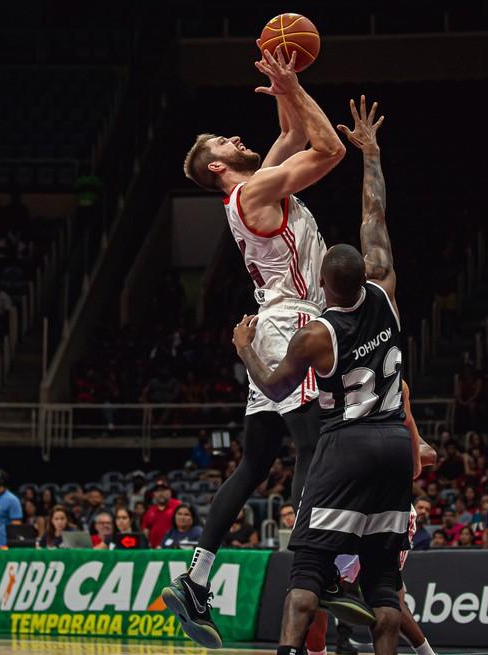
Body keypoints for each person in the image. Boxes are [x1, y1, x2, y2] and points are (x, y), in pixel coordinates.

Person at [165, 45, 347, 649]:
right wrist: (294, 83)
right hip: (295, 324)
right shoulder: (254, 192)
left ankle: (195, 578)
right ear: (216, 167)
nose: (232, 138)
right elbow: (329, 149)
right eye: (221, 140)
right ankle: (317, 570)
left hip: (270, 324)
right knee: (312, 445)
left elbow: (294, 133)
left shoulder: (252, 189)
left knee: (254, 461)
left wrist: (288, 92)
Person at [224, 95, 410, 655]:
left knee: (306, 574)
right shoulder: (386, 293)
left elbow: (278, 387)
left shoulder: (316, 334)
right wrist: (371, 154)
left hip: (347, 444)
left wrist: (245, 351)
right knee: (383, 582)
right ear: (365, 274)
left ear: (323, 286)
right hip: (395, 443)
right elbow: (374, 215)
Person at [142, 480, 181, 548]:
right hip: (154, 550)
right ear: (153, 494)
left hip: (172, 549)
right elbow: (145, 528)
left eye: (163, 490)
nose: (160, 493)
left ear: (170, 492)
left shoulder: (177, 505)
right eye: (157, 491)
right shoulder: (150, 510)